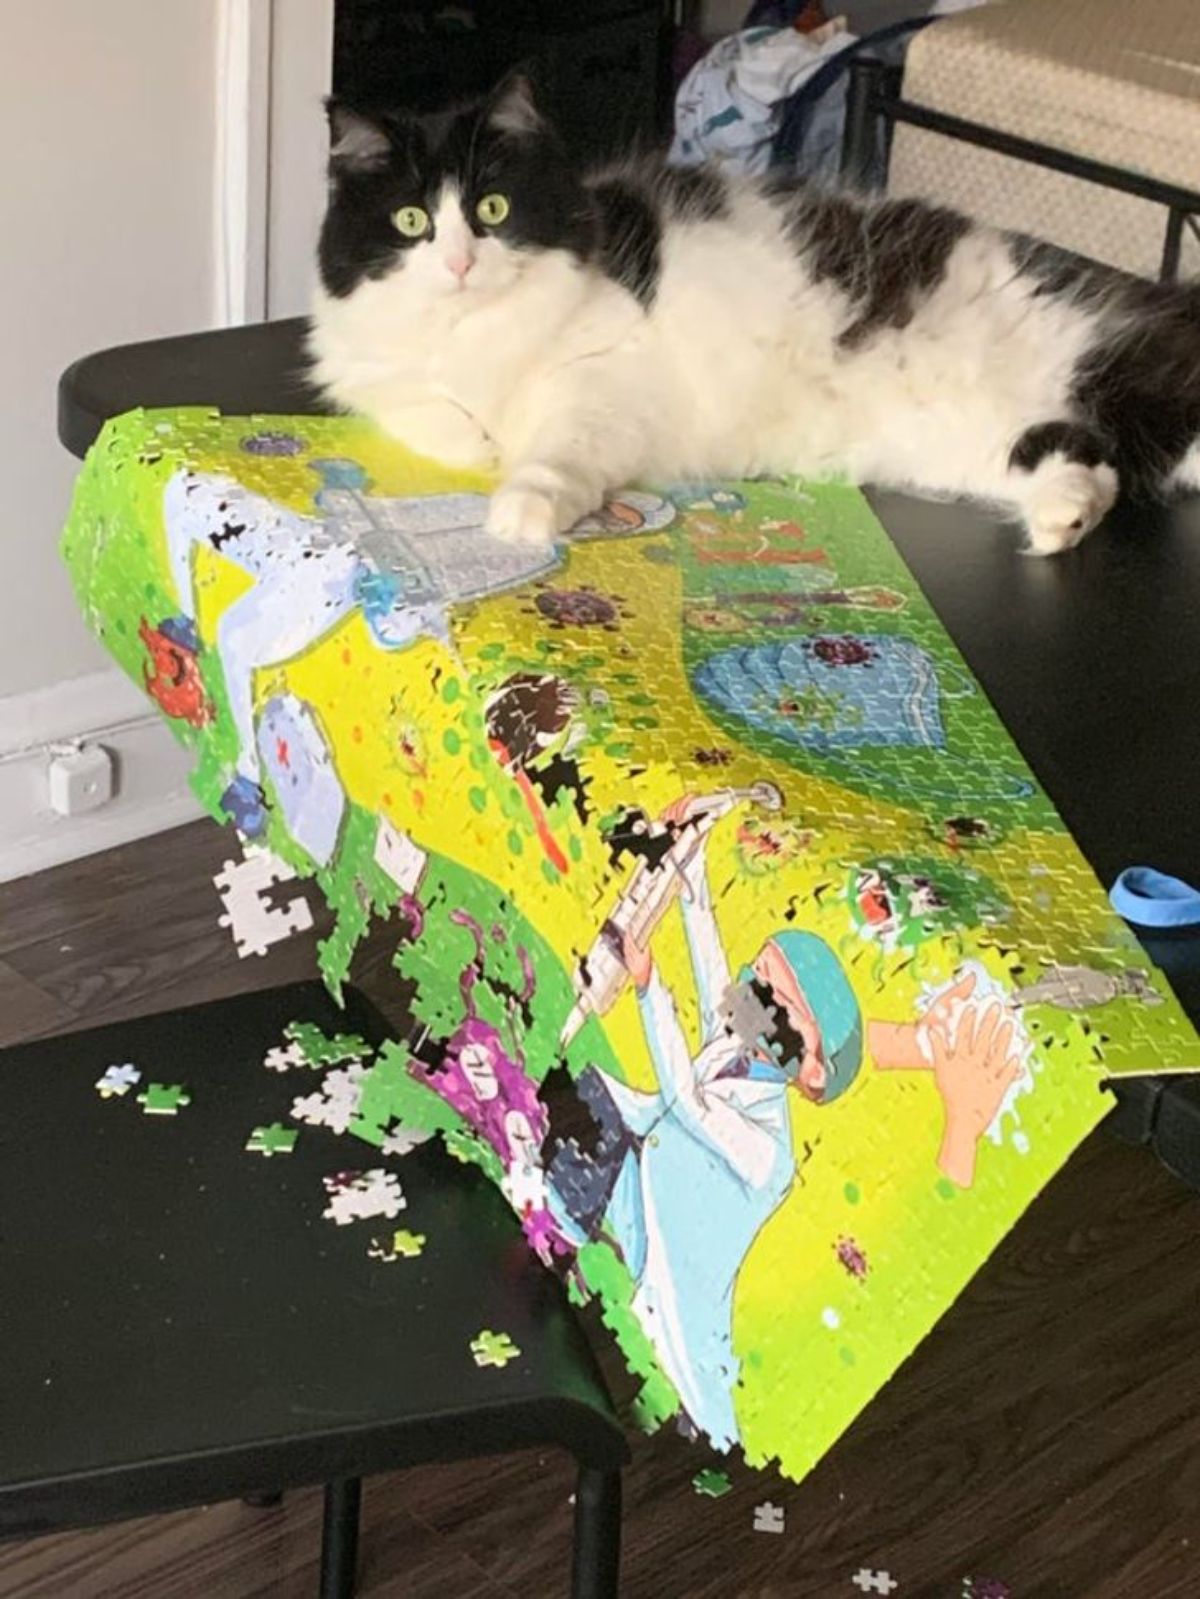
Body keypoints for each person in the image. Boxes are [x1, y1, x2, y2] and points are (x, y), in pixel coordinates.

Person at [551, 795, 1025, 1450]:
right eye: (761, 977)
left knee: (678, 1414)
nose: (756, 998)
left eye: (781, 1005)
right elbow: (713, 964)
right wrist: (690, 861)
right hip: (642, 1194)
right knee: (589, 1100)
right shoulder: (740, 1038)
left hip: (676, 1297)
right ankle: (552, 1228)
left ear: (815, 1073)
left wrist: (647, 983)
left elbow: (688, 1100)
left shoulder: (768, 1151)